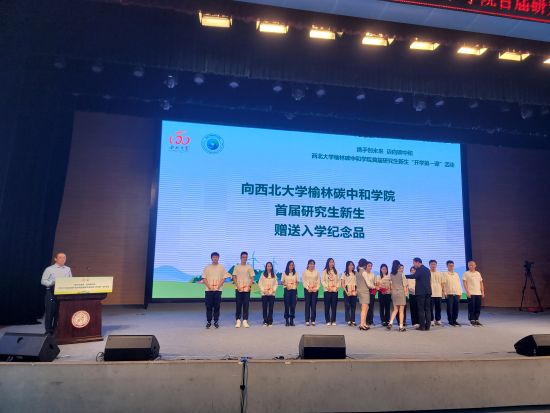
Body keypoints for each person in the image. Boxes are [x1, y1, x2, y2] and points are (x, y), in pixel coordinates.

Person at [41, 252, 73, 335]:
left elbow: (70, 280)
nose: (63, 259)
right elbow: (43, 281)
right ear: (55, 259)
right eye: (60, 257)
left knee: (59, 313)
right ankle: (48, 331)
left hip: (63, 293)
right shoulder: (49, 269)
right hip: (51, 293)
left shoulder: (68, 269)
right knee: (50, 313)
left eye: (64, 257)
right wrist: (51, 283)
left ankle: (56, 330)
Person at [202, 252, 229, 329]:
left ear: (218, 258)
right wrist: (209, 287)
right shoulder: (207, 267)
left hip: (218, 290)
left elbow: (224, 278)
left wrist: (218, 286)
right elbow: (204, 278)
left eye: (216, 257)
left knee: (217, 306)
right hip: (208, 290)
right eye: (213, 257)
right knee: (208, 306)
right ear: (211, 258)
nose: (215, 258)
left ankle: (216, 321)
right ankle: (209, 321)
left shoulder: (222, 267)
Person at [406, 257, 432, 331]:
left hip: (421, 293)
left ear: (417, 262)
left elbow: (414, 276)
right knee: (427, 309)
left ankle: (422, 327)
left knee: (421, 310)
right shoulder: (427, 269)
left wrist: (404, 276)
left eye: (414, 263)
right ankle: (428, 326)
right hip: (428, 292)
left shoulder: (419, 269)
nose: (414, 265)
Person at [232, 251, 255, 328]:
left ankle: (245, 320)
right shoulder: (237, 267)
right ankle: (238, 320)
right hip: (238, 288)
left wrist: (249, 286)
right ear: (240, 257)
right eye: (243, 257)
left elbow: (252, 277)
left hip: (247, 289)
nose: (244, 258)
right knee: (238, 304)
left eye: (246, 257)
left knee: (246, 304)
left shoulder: (249, 267)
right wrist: (237, 286)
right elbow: (234, 276)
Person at [463, 260, 485, 326]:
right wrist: (467, 292)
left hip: (478, 293)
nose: (471, 266)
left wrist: (482, 292)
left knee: (477, 307)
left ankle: (476, 319)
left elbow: (481, 283)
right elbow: (464, 283)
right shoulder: (466, 273)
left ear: (475, 265)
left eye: (472, 265)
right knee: (471, 307)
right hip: (471, 293)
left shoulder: (478, 273)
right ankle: (472, 320)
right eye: (469, 265)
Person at [387, 261, 408, 332]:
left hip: (394, 293)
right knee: (401, 311)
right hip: (401, 293)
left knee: (395, 309)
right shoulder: (402, 274)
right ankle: (401, 327)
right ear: (398, 266)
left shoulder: (391, 274)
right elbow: (405, 285)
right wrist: (406, 294)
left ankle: (390, 323)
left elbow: (390, 285)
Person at [258, 262, 278, 327]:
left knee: (271, 308)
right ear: (266, 267)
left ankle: (270, 321)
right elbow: (260, 283)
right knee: (264, 308)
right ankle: (265, 321)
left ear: (272, 267)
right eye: (268, 266)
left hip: (272, 294)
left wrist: (273, 290)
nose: (269, 267)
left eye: (270, 266)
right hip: (264, 294)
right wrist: (264, 291)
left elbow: (276, 284)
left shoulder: (274, 275)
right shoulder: (263, 274)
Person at [444, 260, 463, 326]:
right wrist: (445, 293)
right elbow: (443, 284)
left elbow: (459, 283)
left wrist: (460, 292)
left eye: (452, 266)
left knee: (456, 308)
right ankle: (450, 321)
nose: (451, 267)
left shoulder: (456, 274)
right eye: (450, 266)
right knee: (449, 308)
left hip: (457, 293)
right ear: (447, 266)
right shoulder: (445, 274)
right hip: (449, 293)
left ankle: (455, 320)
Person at [356, 258, 373, 331]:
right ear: (364, 265)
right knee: (364, 308)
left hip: (360, 291)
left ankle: (364, 323)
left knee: (366, 308)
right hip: (364, 292)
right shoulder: (364, 272)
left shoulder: (357, 272)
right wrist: (375, 287)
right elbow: (368, 284)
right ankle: (362, 325)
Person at [322, 258, 340, 325]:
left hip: (334, 291)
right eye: (330, 262)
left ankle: (333, 320)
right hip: (327, 291)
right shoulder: (324, 271)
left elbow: (339, 281)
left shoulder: (336, 271)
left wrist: (336, 287)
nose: (332, 263)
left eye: (333, 262)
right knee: (327, 306)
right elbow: (323, 281)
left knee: (334, 306)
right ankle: (327, 320)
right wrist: (327, 287)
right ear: (328, 263)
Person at [302, 259, 320, 326]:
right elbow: (304, 281)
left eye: (313, 264)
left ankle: (313, 320)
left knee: (313, 305)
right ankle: (307, 320)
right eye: (311, 264)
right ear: (308, 265)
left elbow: (318, 281)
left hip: (315, 291)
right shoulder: (305, 272)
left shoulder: (317, 272)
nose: (312, 265)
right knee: (307, 305)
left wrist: (316, 288)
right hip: (307, 290)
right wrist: (308, 288)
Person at [281, 260, 299, 326]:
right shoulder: (284, 273)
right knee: (286, 306)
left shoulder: (296, 273)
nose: (291, 266)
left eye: (292, 265)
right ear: (288, 266)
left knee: (293, 306)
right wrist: (286, 285)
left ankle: (291, 320)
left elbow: (298, 281)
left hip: (294, 291)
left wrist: (294, 285)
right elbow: (282, 281)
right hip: (287, 290)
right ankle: (286, 320)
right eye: (290, 265)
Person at [429, 260, 446, 326]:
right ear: (429, 265)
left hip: (438, 292)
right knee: (430, 308)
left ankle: (438, 319)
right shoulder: (428, 273)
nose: (433, 265)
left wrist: (443, 291)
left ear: (436, 265)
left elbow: (442, 283)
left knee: (438, 307)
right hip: (430, 293)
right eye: (432, 264)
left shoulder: (440, 273)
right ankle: (431, 320)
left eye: (434, 264)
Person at [342, 261, 358, 327]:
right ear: (347, 266)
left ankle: (353, 320)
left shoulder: (356, 273)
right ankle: (348, 320)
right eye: (350, 265)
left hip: (354, 290)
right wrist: (346, 292)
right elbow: (343, 284)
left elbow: (358, 283)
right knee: (347, 306)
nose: (351, 266)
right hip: (347, 290)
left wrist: (356, 291)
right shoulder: (344, 273)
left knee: (353, 306)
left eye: (352, 265)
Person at [364, 261, 378, 326]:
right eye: (369, 266)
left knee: (371, 306)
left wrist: (375, 291)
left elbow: (375, 283)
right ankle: (366, 321)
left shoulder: (373, 274)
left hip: (372, 291)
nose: (370, 267)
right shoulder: (364, 274)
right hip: (365, 291)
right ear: (366, 266)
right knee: (366, 307)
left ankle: (371, 321)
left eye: (371, 266)